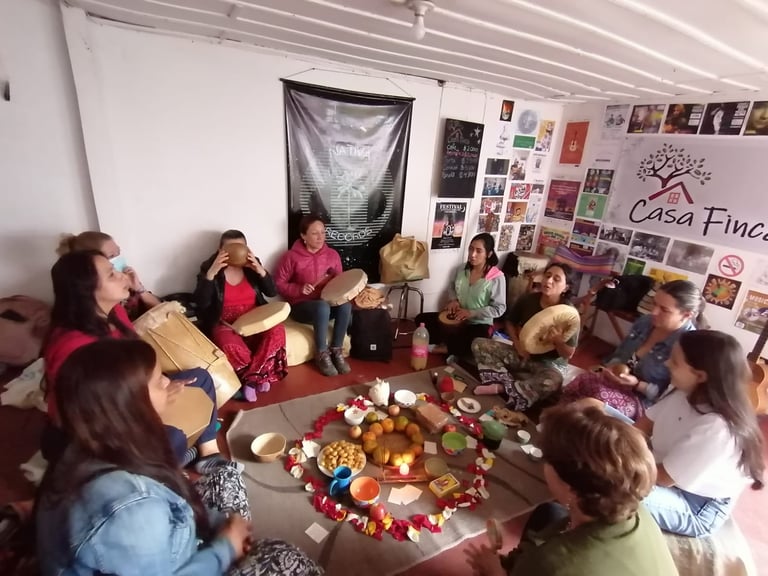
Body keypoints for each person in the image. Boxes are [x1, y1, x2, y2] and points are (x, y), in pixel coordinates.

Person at [36, 339, 323, 576]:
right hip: (171, 556)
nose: (168, 382)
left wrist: (218, 524)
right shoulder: (130, 509)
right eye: (158, 380)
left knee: (227, 478)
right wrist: (225, 548)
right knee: (287, 558)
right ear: (129, 405)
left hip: (171, 536)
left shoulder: (97, 444)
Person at [43, 250, 232, 474]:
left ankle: (207, 453)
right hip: (102, 431)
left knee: (201, 378)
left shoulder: (116, 313)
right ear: (86, 289)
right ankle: (175, 458)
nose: (123, 276)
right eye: (112, 275)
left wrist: (159, 384)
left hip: (136, 400)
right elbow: (89, 418)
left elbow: (137, 367)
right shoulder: (72, 347)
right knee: (173, 438)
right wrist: (150, 401)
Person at [466, 404, 678, 576]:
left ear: (571, 488)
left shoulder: (552, 563)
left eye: (547, 459)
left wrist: (492, 569)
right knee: (548, 514)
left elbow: (555, 563)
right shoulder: (632, 507)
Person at [637, 330, 764, 537]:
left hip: (696, 505)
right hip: (657, 463)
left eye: (676, 362)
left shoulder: (718, 427)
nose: (668, 363)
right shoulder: (683, 391)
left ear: (700, 375)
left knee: (610, 486)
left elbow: (662, 478)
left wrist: (613, 460)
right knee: (594, 410)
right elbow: (641, 426)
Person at [559, 280, 705, 421]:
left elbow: (669, 397)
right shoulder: (646, 322)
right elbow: (620, 355)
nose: (654, 312)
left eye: (664, 310)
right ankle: (557, 425)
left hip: (643, 401)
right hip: (619, 384)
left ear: (687, 315)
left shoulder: (688, 347)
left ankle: (573, 432)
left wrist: (637, 384)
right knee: (581, 382)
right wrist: (611, 368)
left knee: (596, 402)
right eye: (654, 304)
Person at [195, 230, 287, 402]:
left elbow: (272, 292)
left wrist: (260, 270)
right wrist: (211, 274)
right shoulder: (209, 266)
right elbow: (201, 302)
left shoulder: (252, 265)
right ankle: (260, 376)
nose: (237, 251)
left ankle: (252, 380)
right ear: (220, 249)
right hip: (225, 322)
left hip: (254, 319)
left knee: (278, 330)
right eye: (231, 248)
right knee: (228, 343)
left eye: (241, 247)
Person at [472, 263, 577, 411]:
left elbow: (568, 353)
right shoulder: (529, 299)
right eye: (547, 276)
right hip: (522, 354)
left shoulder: (570, 314)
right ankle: (507, 383)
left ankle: (503, 388)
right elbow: (510, 321)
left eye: (557, 279)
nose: (549, 281)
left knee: (552, 382)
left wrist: (558, 341)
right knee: (479, 344)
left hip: (548, 364)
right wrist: (517, 343)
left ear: (566, 287)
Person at [275, 214, 351, 377]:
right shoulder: (290, 257)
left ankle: (336, 350)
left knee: (346, 305)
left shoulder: (332, 255)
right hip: (301, 307)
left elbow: (340, 282)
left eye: (323, 232)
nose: (320, 237)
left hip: (326, 304)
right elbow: (279, 285)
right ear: (303, 236)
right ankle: (321, 354)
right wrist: (299, 289)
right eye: (315, 233)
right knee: (321, 306)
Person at [414, 233, 506, 358]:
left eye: (478, 251)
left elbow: (499, 308)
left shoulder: (496, 277)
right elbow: (452, 287)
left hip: (478, 323)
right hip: (456, 318)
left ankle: (445, 348)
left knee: (476, 341)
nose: (472, 255)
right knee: (421, 319)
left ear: (488, 254)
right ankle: (453, 348)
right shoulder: (462, 269)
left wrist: (472, 313)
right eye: (471, 249)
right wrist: (454, 300)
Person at [57, 230, 161, 319]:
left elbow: (163, 311)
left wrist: (139, 288)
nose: (118, 259)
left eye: (118, 253)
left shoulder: (125, 277)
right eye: (111, 256)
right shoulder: (90, 307)